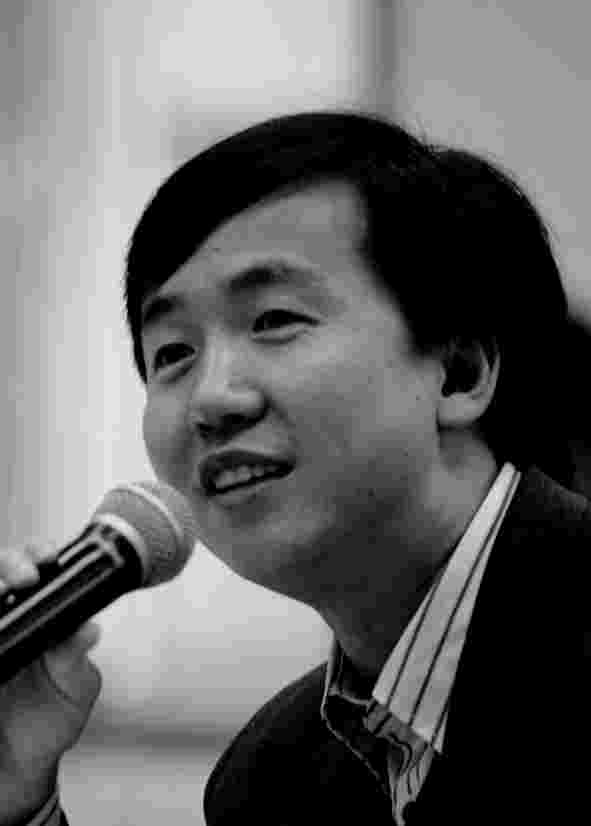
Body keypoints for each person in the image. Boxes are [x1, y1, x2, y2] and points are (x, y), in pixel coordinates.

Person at [1, 111, 587, 826]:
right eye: (173, 353)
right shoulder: (272, 774)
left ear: (458, 372)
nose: (212, 399)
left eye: (275, 319)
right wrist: (20, 799)